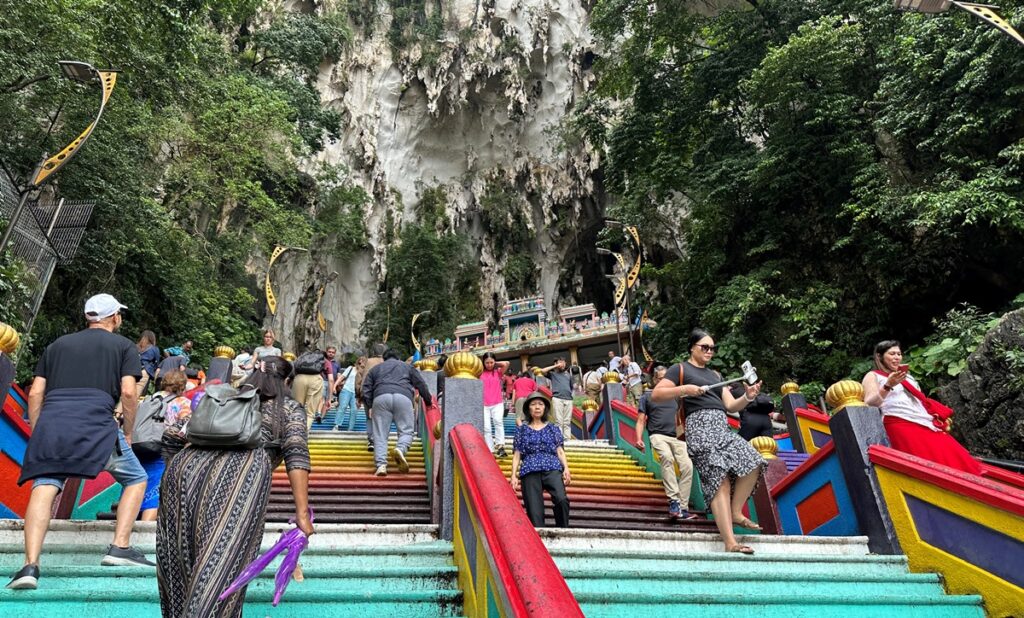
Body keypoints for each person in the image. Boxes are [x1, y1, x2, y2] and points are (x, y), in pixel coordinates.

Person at [8, 294, 154, 590]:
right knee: (136, 479)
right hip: (95, 423)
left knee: (45, 485)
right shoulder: (124, 346)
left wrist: (39, 431)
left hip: (53, 423)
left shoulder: (58, 345)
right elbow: (128, 392)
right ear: (114, 317)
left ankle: (29, 566)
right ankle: (119, 547)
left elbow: (36, 393)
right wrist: (127, 429)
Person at [157, 355, 312, 617]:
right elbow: (296, 454)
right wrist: (301, 513)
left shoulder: (223, 398)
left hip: (185, 467)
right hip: (242, 473)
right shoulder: (288, 408)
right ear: (286, 381)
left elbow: (173, 435)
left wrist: (176, 469)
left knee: (181, 560)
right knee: (223, 562)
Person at [652, 328, 766, 554]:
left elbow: (731, 406)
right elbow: (657, 394)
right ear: (692, 348)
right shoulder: (680, 369)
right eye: (705, 347)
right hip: (700, 428)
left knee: (754, 461)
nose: (709, 351)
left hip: (721, 427)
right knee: (719, 479)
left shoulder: (715, 375)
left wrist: (748, 396)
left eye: (712, 348)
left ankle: (735, 512)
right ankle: (730, 542)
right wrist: (685, 389)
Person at [861, 340, 981, 474]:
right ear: (880, 356)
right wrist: (888, 385)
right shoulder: (873, 376)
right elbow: (870, 403)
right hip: (899, 421)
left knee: (952, 452)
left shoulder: (909, 377)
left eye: (899, 354)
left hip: (924, 420)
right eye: (892, 354)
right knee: (926, 461)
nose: (897, 357)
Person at [637, 366, 698, 520]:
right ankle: (674, 501)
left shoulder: (676, 396)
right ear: (655, 380)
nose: (665, 381)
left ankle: (683, 508)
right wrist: (638, 438)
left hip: (677, 437)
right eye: (661, 378)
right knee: (667, 458)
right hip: (657, 435)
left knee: (687, 467)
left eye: (667, 377)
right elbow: (640, 420)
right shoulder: (648, 396)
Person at [362, 349, 434, 476]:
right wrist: (428, 401)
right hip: (403, 397)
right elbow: (421, 384)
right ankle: (400, 449)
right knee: (406, 430)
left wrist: (370, 405)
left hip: (380, 397)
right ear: (398, 358)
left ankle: (381, 465)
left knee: (380, 434)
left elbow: (366, 388)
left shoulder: (376, 369)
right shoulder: (407, 367)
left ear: (384, 359)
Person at [137, 369, 191, 521]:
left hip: (141, 446)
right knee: (155, 491)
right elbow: (184, 428)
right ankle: (145, 528)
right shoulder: (183, 403)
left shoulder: (148, 399)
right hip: (164, 449)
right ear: (182, 385)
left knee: (136, 484)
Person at [510, 392, 571, 527]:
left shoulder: (553, 429)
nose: (537, 407)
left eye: (540, 404)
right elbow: (517, 453)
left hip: (552, 467)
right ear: (528, 409)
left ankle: (563, 529)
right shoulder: (522, 430)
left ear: (545, 408)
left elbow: (560, 450)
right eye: (533, 404)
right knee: (534, 511)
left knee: (561, 499)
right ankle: (540, 541)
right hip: (529, 469)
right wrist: (513, 475)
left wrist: (566, 468)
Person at [293, 348, 332, 429]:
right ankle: (303, 434)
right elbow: (331, 379)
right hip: (316, 379)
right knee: (310, 413)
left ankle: (294, 431)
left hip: (299, 378)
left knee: (297, 408)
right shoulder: (325, 361)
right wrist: (329, 398)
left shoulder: (303, 359)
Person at [481, 352, 511, 457]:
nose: (489, 365)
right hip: (484, 404)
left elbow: (506, 363)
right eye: (487, 363)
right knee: (486, 427)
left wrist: (495, 363)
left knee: (498, 423)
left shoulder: (498, 372)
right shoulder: (479, 373)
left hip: (497, 403)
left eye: (491, 362)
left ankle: (500, 446)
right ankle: (490, 449)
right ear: (483, 363)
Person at [360, 344, 387, 452]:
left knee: (369, 418)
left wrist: (361, 393)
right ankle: (381, 440)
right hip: (384, 392)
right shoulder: (386, 361)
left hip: (369, 393)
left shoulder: (369, 361)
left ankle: (371, 440)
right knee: (383, 418)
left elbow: (364, 377)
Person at [541, 358, 574, 441]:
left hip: (568, 399)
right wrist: (556, 366)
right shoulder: (553, 374)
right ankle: (559, 439)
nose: (562, 364)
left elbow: (571, 387)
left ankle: (567, 439)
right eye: (560, 362)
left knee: (567, 421)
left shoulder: (568, 375)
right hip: (557, 398)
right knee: (559, 421)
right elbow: (542, 371)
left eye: (563, 362)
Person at [334, 359, 359, 431]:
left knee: (354, 410)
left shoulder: (364, 372)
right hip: (346, 390)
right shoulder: (351, 368)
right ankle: (337, 425)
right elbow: (341, 377)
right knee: (343, 406)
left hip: (356, 393)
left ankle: (350, 428)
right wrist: (334, 386)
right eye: (359, 363)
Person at [137, 330, 159, 397]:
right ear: (152, 338)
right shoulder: (154, 349)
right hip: (145, 371)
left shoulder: (134, 346)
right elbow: (156, 363)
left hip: (131, 369)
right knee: (140, 394)